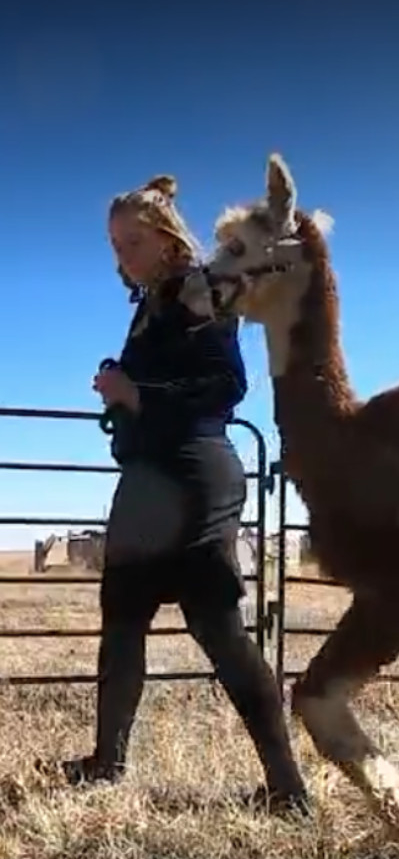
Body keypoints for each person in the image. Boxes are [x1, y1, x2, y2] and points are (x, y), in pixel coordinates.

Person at [58, 174, 311, 817]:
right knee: (121, 623)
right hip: (149, 481)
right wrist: (121, 393)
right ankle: (106, 761)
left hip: (196, 477)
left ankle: (289, 788)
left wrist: (136, 394)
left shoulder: (200, 291)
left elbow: (226, 386)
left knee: (218, 625)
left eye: (134, 242)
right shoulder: (149, 306)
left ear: (169, 240)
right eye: (115, 245)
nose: (123, 256)